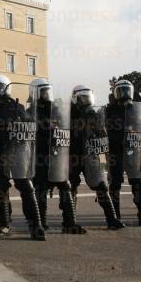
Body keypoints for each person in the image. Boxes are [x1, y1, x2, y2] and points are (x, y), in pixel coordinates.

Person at [0, 74, 45, 240]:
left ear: (6, 88)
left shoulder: (17, 107)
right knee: (0, 188)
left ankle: (36, 225)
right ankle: (4, 225)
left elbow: (29, 126)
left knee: (26, 186)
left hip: (17, 152)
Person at [32, 78, 87, 234]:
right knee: (41, 189)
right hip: (40, 156)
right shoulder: (31, 111)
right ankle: (41, 223)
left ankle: (69, 223)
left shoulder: (55, 109)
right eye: (43, 91)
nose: (46, 94)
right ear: (36, 92)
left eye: (47, 90)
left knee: (65, 186)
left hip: (56, 156)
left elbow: (63, 125)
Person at [70, 85, 125, 230]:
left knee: (101, 186)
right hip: (73, 155)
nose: (86, 101)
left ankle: (111, 219)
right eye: (83, 98)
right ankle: (69, 221)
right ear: (75, 98)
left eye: (88, 98)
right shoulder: (68, 114)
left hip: (92, 154)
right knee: (71, 187)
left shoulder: (94, 114)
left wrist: (103, 159)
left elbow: (101, 136)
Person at [105, 79, 141, 227]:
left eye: (127, 90)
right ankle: (115, 218)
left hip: (134, 149)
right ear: (116, 93)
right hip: (116, 150)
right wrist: (122, 135)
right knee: (115, 184)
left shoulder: (135, 109)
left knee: (138, 183)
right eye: (122, 90)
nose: (125, 93)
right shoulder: (110, 110)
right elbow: (108, 130)